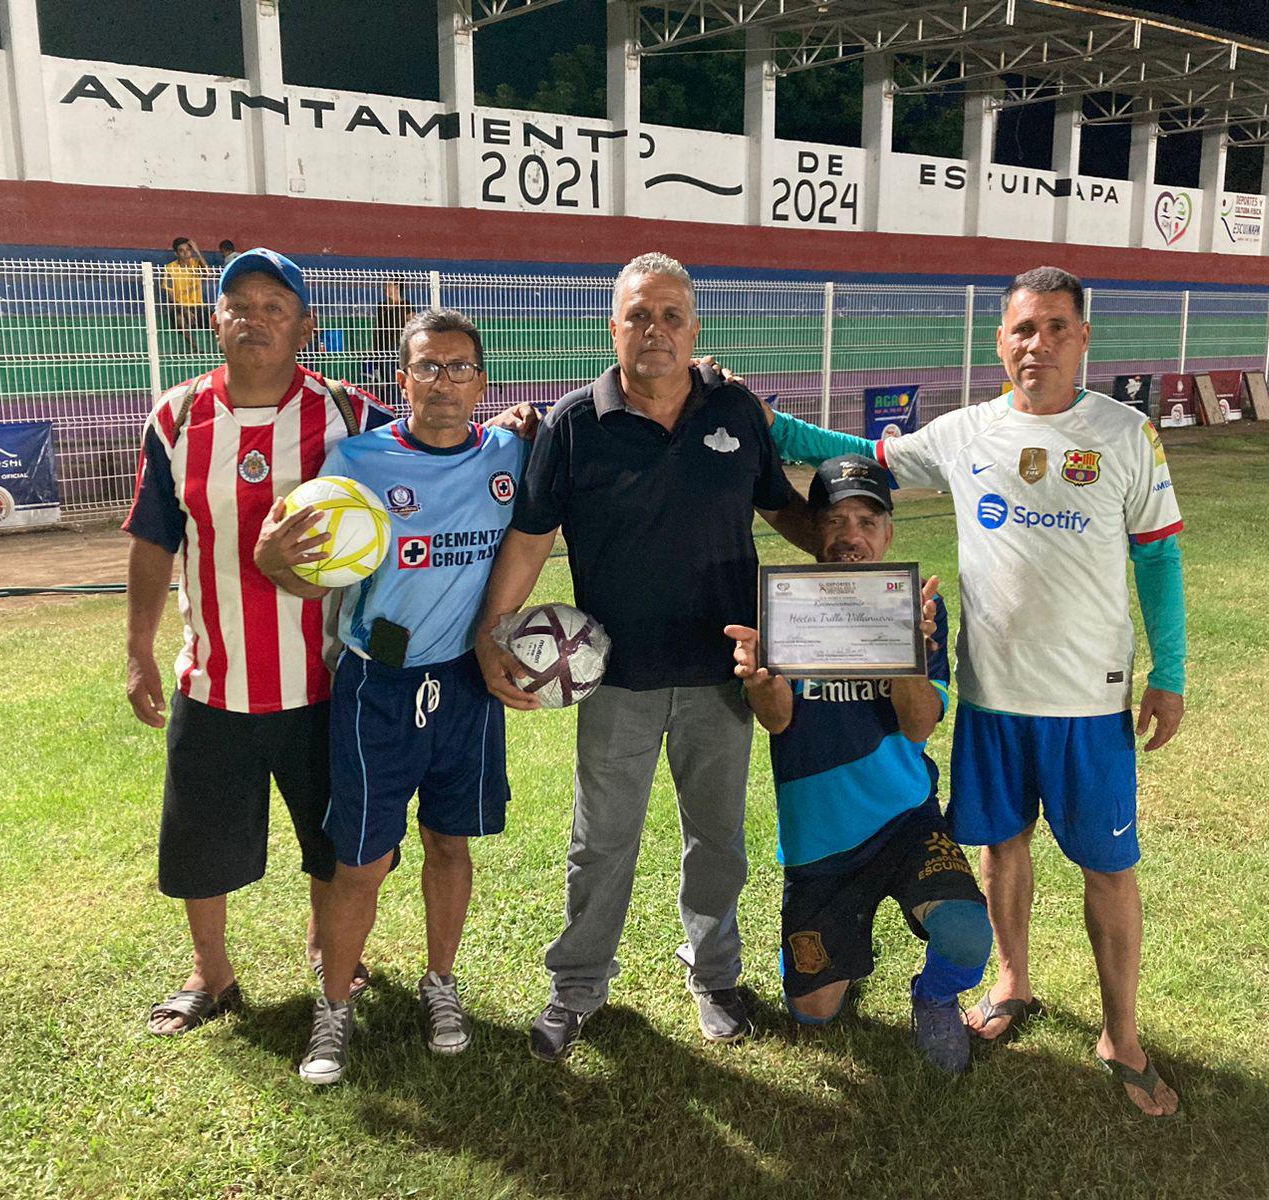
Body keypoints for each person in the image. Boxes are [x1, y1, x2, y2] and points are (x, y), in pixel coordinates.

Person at [759, 266, 1186, 1117]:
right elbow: (850, 454)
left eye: (1057, 326)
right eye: (1024, 328)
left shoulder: (1127, 432)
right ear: (1002, 341)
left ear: (1083, 336)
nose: (1040, 343)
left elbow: (1159, 557)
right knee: (1001, 849)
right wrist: (758, 418)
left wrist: (1168, 673)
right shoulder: (966, 433)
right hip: (992, 697)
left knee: (1109, 867)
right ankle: (1013, 981)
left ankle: (1121, 1034)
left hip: (1090, 703)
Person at [474, 251, 816, 1062]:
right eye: (638, 316)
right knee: (602, 841)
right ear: (613, 327)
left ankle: (715, 974)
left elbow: (782, 508)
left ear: (694, 330)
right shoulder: (571, 426)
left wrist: (848, 563)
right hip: (615, 677)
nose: (654, 331)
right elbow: (529, 541)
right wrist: (494, 634)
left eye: (670, 317)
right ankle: (579, 985)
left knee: (718, 840)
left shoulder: (735, 408)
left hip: (722, 675)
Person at [124, 247, 396, 1038]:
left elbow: (433, 441)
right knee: (199, 842)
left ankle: (327, 949)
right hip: (215, 679)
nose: (254, 318)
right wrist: (139, 646)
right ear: (214, 321)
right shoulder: (175, 417)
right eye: (238, 303)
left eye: (275, 307)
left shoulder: (345, 411)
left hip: (325, 681)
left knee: (332, 839)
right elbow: (151, 536)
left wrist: (513, 427)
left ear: (306, 328)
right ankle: (212, 974)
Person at [255, 309, 527, 1084]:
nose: (443, 383)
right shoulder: (358, 461)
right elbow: (302, 565)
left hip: (468, 684)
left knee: (450, 841)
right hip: (378, 683)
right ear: (400, 379)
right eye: (427, 368)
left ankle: (441, 984)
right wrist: (277, 559)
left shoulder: (509, 452)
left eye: (459, 367)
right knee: (362, 861)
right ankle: (333, 1007)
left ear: (481, 379)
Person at [726, 454, 993, 1074]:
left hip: (906, 823)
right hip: (820, 845)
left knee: (966, 934)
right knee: (814, 1013)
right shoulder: (784, 607)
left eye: (868, 521)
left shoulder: (917, 610)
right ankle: (845, 943)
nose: (852, 535)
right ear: (816, 529)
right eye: (837, 520)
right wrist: (759, 676)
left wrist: (906, 652)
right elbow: (775, 718)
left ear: (889, 534)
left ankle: (934, 998)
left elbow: (920, 723)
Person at [162, 238, 209, 349]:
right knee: (179, 318)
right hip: (181, 307)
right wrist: (185, 310)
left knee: (217, 319)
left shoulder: (197, 264)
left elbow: (208, 273)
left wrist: (197, 251)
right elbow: (170, 296)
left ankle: (222, 349)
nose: (185, 253)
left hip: (198, 306)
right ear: (176, 253)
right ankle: (196, 348)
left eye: (188, 249)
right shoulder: (169, 268)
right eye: (181, 250)